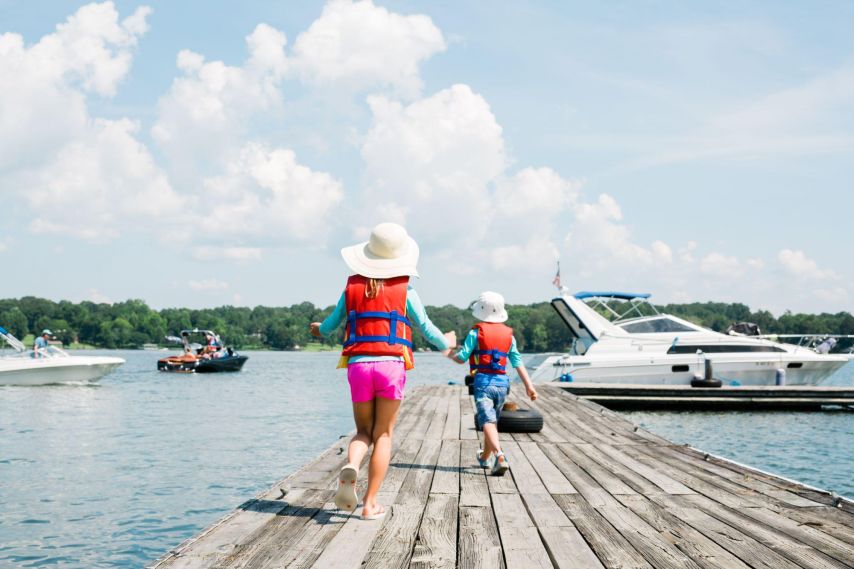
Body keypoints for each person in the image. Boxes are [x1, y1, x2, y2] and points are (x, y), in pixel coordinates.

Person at [310, 222, 456, 520]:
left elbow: (328, 326)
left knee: (363, 431)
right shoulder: (406, 291)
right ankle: (370, 503)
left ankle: (352, 463)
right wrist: (448, 342)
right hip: (391, 366)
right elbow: (427, 328)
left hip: (358, 366)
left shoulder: (351, 288)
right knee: (384, 434)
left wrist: (317, 329)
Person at [447, 291, 537, 476]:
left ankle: (499, 455)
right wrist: (529, 386)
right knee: (492, 422)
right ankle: (484, 457)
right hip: (502, 384)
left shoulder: (476, 332)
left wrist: (448, 350)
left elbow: (462, 357)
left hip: (483, 383)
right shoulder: (509, 336)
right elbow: (517, 362)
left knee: (486, 421)